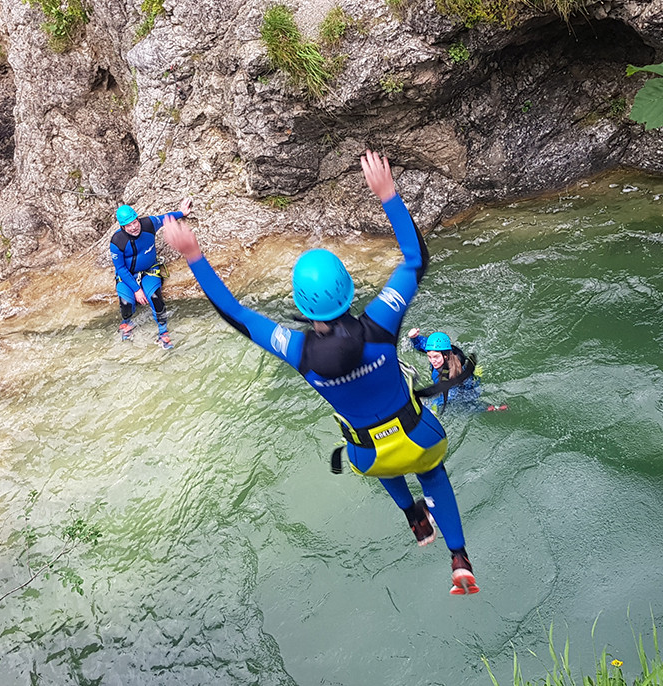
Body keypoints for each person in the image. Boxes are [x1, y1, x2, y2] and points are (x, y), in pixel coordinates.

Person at [162, 150, 479, 595]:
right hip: (418, 439)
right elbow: (414, 261)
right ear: (348, 292)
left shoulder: (296, 350)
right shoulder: (380, 323)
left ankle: (412, 516)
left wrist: (193, 255)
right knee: (431, 471)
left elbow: (235, 313)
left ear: (301, 306)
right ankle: (459, 557)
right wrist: (387, 195)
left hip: (369, 457)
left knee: (373, 446)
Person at [109, 198, 193, 349]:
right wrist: (136, 290)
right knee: (126, 304)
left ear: (137, 218)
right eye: (129, 225)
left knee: (155, 298)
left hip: (150, 270)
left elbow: (166, 218)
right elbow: (120, 268)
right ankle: (126, 324)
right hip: (128, 275)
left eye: (135, 222)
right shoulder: (117, 241)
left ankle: (163, 333)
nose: (134, 227)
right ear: (123, 227)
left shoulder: (148, 224)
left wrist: (182, 212)